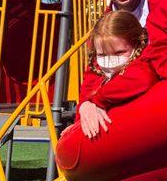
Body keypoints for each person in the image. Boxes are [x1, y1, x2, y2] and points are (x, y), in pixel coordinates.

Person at [67, 11, 157, 139]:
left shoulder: (144, 64)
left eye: (119, 52)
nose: (110, 60)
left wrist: (96, 100)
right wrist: (84, 108)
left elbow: (140, 79)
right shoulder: (99, 76)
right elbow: (86, 95)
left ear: (137, 45)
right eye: (102, 55)